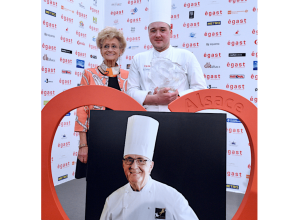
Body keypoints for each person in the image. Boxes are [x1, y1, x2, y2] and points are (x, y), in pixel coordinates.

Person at [100, 115, 198, 220]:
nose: (134, 166)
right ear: (123, 164)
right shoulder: (113, 200)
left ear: (150, 166)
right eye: (129, 159)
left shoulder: (172, 197)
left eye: (141, 160)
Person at [127, 0, 207, 112]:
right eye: (153, 30)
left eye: (162, 30)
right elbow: (130, 92)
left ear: (171, 31)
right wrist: (154, 99)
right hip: (147, 117)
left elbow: (200, 90)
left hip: (179, 116)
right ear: (148, 32)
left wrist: (176, 96)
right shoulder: (138, 59)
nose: (158, 35)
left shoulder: (186, 56)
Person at [74, 26, 128, 178]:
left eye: (114, 46)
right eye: (106, 46)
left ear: (121, 51)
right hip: (96, 137)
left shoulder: (128, 76)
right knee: (95, 181)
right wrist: (83, 144)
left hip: (121, 138)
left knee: (119, 180)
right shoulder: (89, 74)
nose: (110, 50)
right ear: (100, 49)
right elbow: (81, 110)